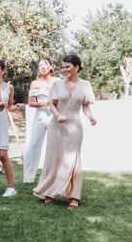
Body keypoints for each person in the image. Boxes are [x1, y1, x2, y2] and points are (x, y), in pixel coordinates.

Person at [33, 55, 97, 209]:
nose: (65, 69)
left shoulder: (85, 85)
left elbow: (86, 106)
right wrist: (58, 115)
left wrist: (91, 117)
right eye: (63, 67)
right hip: (56, 126)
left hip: (75, 126)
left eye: (68, 66)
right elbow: (51, 104)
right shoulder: (57, 84)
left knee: (73, 160)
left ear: (77, 67)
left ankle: (74, 196)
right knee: (54, 158)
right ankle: (49, 191)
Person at [0, 59, 25, 197]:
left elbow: (9, 106)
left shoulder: (9, 87)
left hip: (0, 121)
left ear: (3, 71)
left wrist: (16, 107)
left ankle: (11, 187)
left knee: (3, 154)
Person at [23, 57, 59, 184]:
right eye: (40, 65)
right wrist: (45, 103)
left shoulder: (58, 81)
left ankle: (54, 176)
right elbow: (31, 103)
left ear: (50, 67)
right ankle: (28, 177)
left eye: (45, 64)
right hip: (40, 115)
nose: (42, 67)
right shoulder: (35, 83)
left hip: (55, 115)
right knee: (33, 145)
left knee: (55, 145)